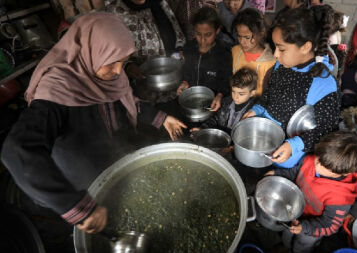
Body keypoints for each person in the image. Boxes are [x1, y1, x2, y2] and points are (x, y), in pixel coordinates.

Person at [0, 13, 186, 234]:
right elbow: (18, 150)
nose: (118, 71)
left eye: (123, 62)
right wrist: (75, 207)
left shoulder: (107, 74)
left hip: (108, 173)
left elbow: (126, 102)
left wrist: (162, 118)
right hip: (75, 190)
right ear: (92, 49)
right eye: (113, 62)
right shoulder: (56, 89)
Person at [243, 5, 341, 168]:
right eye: (275, 47)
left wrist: (294, 144)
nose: (275, 54)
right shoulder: (281, 65)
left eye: (281, 49)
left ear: (305, 47)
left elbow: (325, 130)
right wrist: (257, 110)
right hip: (263, 139)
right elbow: (269, 95)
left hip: (288, 158)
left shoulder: (323, 84)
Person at [265, 130, 357, 253]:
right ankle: (286, 246)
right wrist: (277, 174)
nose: (316, 163)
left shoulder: (340, 198)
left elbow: (331, 226)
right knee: (287, 235)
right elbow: (295, 172)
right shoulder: (315, 159)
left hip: (312, 229)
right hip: (293, 211)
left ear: (344, 172)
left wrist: (304, 228)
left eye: (324, 165)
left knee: (302, 245)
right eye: (319, 157)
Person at [104, 0, 186, 105]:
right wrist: (128, 66)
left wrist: (179, 50)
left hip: (172, 78)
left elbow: (175, 28)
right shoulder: (115, 10)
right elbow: (110, 51)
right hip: (142, 90)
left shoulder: (159, 2)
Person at [177, 6, 233, 111]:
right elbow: (187, 71)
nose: (203, 40)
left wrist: (220, 95)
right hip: (192, 102)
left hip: (213, 106)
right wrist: (185, 82)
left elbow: (226, 82)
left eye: (208, 35)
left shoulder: (224, 54)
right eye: (198, 34)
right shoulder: (188, 48)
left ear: (217, 31)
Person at [191, 67, 257, 133]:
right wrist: (203, 129)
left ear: (252, 93)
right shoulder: (226, 102)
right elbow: (214, 119)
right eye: (233, 91)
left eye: (241, 94)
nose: (235, 97)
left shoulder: (253, 112)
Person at [231, 8, 276, 97]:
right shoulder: (235, 51)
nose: (242, 42)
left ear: (262, 33)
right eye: (239, 36)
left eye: (247, 37)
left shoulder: (271, 63)